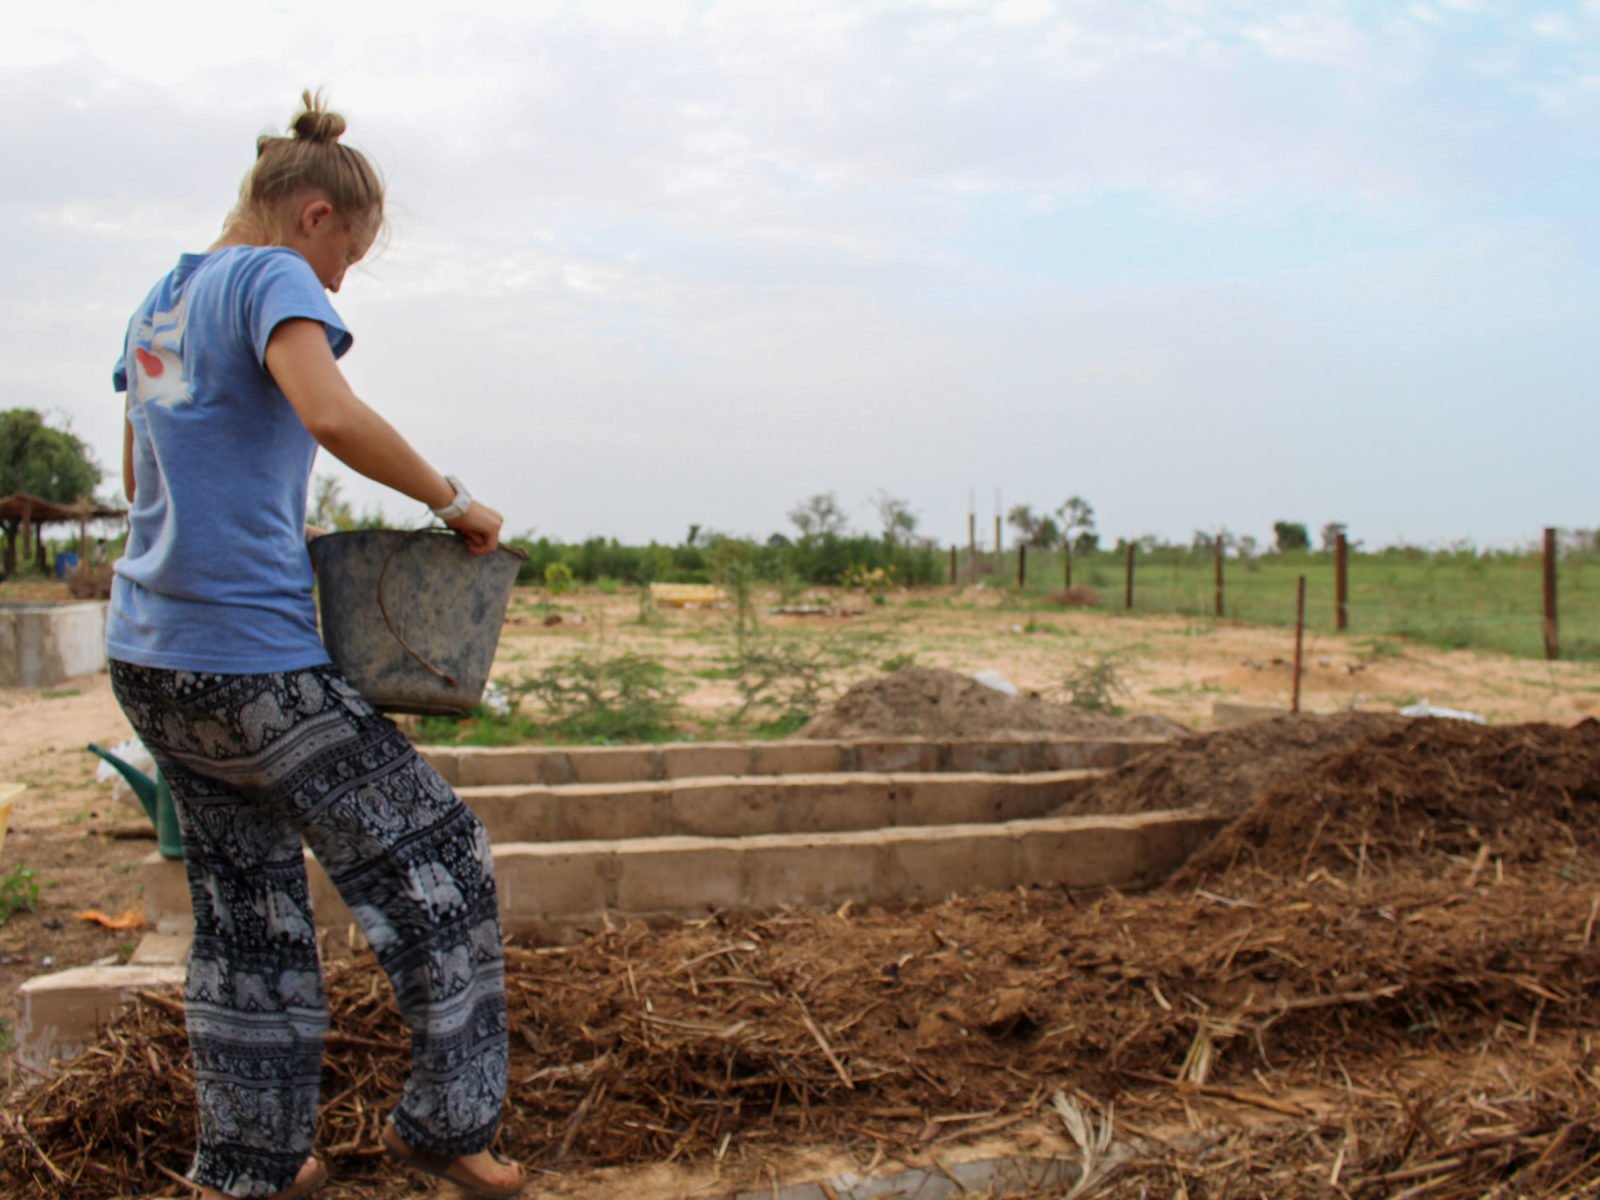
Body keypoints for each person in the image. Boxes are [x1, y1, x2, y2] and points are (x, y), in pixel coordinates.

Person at [109, 91, 525, 1200]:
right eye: (350, 253)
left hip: (149, 656)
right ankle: (450, 1130)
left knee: (246, 908)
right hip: (251, 661)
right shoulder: (271, 277)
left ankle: (252, 1161)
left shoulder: (160, 300)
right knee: (442, 862)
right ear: (311, 215)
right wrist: (456, 504)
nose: (340, 286)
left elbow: (139, 481)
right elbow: (330, 414)